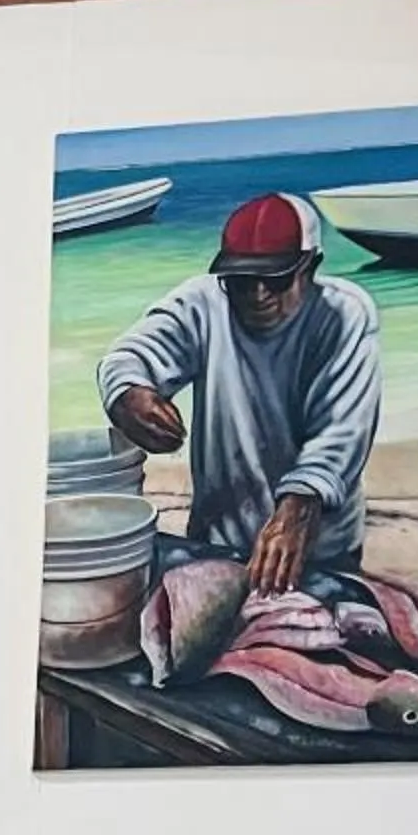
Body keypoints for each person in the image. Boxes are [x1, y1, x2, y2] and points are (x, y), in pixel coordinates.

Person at [98, 191, 381, 592]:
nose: (258, 294)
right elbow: (129, 356)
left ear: (311, 267)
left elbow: (341, 431)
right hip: (216, 542)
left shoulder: (344, 315)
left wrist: (299, 505)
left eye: (276, 278)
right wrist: (130, 396)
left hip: (318, 549)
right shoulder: (202, 302)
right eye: (242, 280)